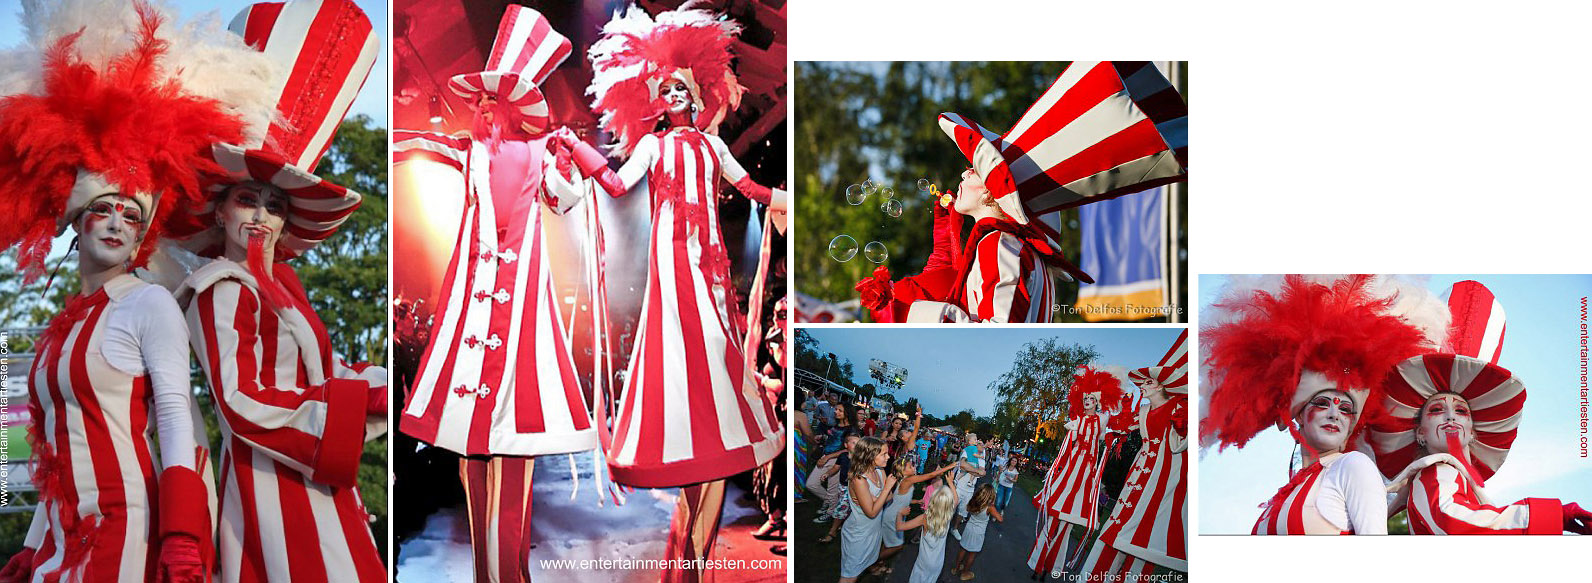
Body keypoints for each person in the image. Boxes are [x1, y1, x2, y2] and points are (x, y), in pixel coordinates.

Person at [0, 2, 250, 579]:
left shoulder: (149, 301)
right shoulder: (62, 328)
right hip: (60, 538)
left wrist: (184, 535)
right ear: (78, 219)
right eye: (104, 210)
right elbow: (55, 455)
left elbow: (174, 416)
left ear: (142, 235)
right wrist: (34, 544)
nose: (116, 223)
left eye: (130, 216)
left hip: (127, 531)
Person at [168, 1, 387, 580]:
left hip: (316, 484)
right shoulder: (219, 285)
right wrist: (349, 408)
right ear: (220, 208)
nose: (262, 216)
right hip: (271, 494)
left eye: (275, 204)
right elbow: (240, 403)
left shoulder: (284, 285)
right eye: (249, 198)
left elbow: (328, 368)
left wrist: (383, 387)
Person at [854, 62, 1186, 324]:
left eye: (973, 169)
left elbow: (998, 330)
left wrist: (915, 313)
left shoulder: (1000, 243)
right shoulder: (1015, 246)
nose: (963, 172)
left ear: (990, 193)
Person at [1202, 275, 1442, 536]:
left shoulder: (1352, 466)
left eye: (1345, 409)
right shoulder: (1279, 497)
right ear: (1299, 416)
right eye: (1322, 403)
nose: (1334, 414)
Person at [1368, 281, 1592, 534]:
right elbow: (1451, 520)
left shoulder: (1458, 480)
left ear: (1472, 431)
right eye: (1436, 410)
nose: (1450, 416)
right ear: (1421, 433)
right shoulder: (1437, 470)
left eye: (1461, 411)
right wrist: (1554, 514)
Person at [1079, 330, 1190, 580]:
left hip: (1161, 482)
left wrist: (1183, 424)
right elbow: (1120, 426)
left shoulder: (1179, 407)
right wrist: (1111, 408)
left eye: (1150, 381)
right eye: (1145, 381)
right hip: (1137, 477)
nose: (1144, 384)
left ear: (1163, 385)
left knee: (1142, 543)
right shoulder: (1144, 411)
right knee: (1117, 529)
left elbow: (1179, 443)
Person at [1029, 366, 1122, 579]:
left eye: (1091, 398)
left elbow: (1111, 432)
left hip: (1085, 477)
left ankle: (1051, 568)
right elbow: (1067, 447)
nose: (1087, 400)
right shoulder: (1077, 421)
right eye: (1085, 398)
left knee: (1065, 529)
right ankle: (1038, 564)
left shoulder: (1102, 420)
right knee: (1052, 524)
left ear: (1097, 401)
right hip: (1071, 472)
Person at [869, 457, 957, 578]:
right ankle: (870, 562)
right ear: (902, 472)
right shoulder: (907, 480)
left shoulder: (906, 481)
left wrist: (916, 501)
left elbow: (901, 498)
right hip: (893, 516)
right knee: (897, 546)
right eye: (910, 467)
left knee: (889, 542)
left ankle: (879, 563)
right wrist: (950, 466)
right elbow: (931, 475)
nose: (914, 467)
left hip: (898, 513)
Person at [838, 438, 896, 583]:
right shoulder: (859, 479)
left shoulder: (880, 471)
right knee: (849, 577)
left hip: (873, 531)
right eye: (884, 454)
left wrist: (875, 499)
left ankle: (874, 568)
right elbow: (871, 512)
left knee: (861, 569)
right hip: (858, 534)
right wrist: (886, 488)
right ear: (870, 455)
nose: (888, 457)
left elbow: (890, 497)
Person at [897, 477, 957, 583]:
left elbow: (900, 527)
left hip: (924, 561)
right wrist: (951, 483)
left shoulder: (925, 518)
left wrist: (900, 514)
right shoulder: (948, 516)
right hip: (938, 561)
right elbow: (956, 500)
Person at [952, 484, 1004, 581]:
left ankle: (956, 568)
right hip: (978, 533)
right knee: (972, 553)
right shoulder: (990, 507)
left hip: (968, 529)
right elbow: (1000, 519)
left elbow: (967, 509)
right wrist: (998, 512)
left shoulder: (974, 501)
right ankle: (965, 573)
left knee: (963, 549)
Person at [951, 433, 987, 537]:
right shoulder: (967, 451)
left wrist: (971, 470)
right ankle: (943, 526)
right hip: (959, 487)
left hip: (970, 489)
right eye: (976, 441)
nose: (978, 444)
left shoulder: (980, 457)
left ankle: (955, 529)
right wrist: (975, 471)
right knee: (951, 508)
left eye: (980, 443)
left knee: (963, 511)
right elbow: (962, 465)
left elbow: (983, 472)